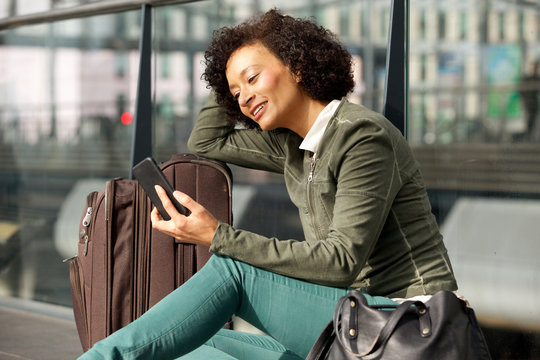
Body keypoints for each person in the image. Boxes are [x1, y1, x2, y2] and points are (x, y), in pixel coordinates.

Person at [80, 9, 457, 360]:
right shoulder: (295, 147)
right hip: (350, 321)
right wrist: (234, 65)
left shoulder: (361, 136)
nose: (243, 97)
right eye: (234, 92)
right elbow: (208, 141)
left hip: (407, 325)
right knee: (190, 336)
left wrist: (217, 235)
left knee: (232, 271)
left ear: (298, 67)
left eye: (253, 78)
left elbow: (340, 261)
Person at [519, 60, 539, 141]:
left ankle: (531, 138)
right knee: (528, 122)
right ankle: (527, 138)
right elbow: (521, 91)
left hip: (534, 104)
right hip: (528, 104)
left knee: (533, 122)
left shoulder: (537, 78)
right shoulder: (527, 78)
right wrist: (525, 99)